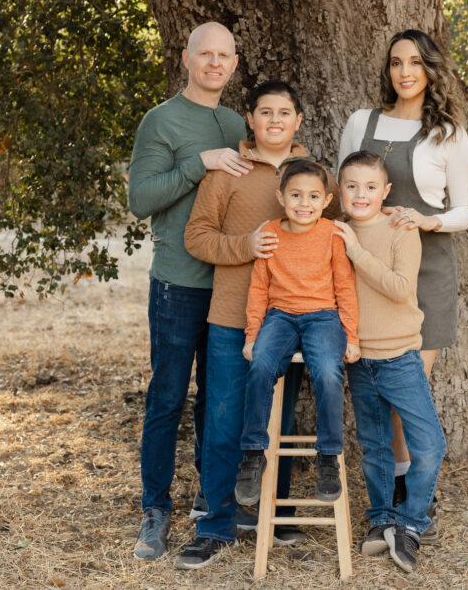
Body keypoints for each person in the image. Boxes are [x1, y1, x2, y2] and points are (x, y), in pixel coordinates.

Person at [177, 81, 339, 569]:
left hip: (293, 319)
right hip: (233, 313)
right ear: (249, 118)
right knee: (225, 416)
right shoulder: (229, 170)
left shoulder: (309, 175)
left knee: (282, 418)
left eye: (284, 112)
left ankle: (276, 512)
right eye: (264, 112)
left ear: (297, 121)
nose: (274, 120)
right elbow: (196, 237)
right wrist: (244, 247)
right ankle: (216, 524)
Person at [338, 28, 468, 540]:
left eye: (415, 62)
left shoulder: (448, 134)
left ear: (430, 69)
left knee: (407, 392)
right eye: (396, 62)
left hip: (428, 271)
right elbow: (341, 189)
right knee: (380, 396)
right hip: (365, 273)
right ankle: (396, 496)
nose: (405, 72)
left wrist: (425, 219)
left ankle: (416, 497)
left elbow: (465, 211)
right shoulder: (361, 123)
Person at [128, 22, 254, 561]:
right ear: (186, 58)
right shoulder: (160, 121)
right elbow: (141, 199)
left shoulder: (235, 123)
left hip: (230, 286)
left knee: (218, 401)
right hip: (178, 282)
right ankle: (154, 509)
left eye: (223, 55)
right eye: (205, 54)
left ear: (233, 63)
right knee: (168, 397)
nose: (214, 63)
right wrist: (196, 165)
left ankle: (210, 498)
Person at [333, 150, 446, 573]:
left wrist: (355, 250)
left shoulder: (400, 227)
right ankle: (381, 518)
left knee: (429, 443)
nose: (361, 194)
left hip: (399, 356)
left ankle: (412, 522)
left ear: (386, 191)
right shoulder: (334, 231)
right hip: (359, 358)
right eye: (351, 186)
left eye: (370, 186)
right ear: (340, 191)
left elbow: (400, 288)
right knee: (374, 445)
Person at [234, 159, 360, 510]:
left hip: (323, 317)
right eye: (296, 195)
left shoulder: (332, 234)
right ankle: (253, 453)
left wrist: (351, 335)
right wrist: (252, 334)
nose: (304, 204)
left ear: (326, 200)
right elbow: (259, 287)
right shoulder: (271, 232)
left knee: (327, 373)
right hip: (280, 316)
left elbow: (345, 287)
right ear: (281, 196)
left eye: (313, 197)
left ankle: (328, 458)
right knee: (260, 366)